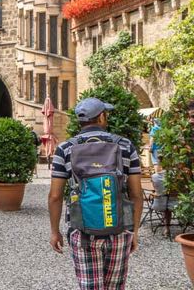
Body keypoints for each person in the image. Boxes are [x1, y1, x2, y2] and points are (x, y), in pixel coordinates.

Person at [48, 97, 143, 290]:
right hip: (119, 229)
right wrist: (134, 231)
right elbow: (136, 194)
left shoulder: (65, 149)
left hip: (81, 231)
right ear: (101, 117)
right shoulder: (125, 146)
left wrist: (55, 231)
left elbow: (55, 196)